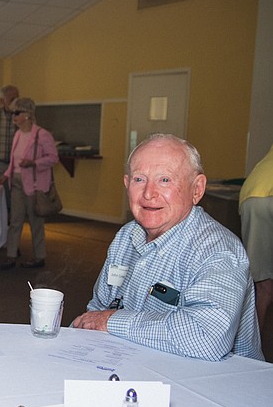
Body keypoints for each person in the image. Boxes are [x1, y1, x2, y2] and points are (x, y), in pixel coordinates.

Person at [72, 134, 263, 362]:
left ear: (197, 189)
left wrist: (111, 321)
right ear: (126, 184)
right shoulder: (125, 238)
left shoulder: (218, 250)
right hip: (137, 366)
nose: (149, 193)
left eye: (165, 180)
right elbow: (98, 308)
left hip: (214, 383)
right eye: (139, 179)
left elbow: (207, 338)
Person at [0, 98, 59, 270]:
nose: (13, 116)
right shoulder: (17, 134)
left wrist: (34, 163)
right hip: (16, 182)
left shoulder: (42, 135)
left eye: (17, 113)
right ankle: (11, 255)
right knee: (15, 220)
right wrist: (6, 175)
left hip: (35, 185)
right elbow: (13, 161)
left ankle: (40, 257)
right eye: (13, 113)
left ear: (27, 115)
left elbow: (53, 158)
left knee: (35, 221)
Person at [239, 144, 273, 338]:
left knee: (262, 280)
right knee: (262, 283)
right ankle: (253, 346)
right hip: (262, 197)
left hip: (256, 194)